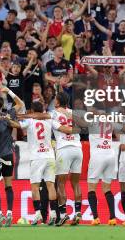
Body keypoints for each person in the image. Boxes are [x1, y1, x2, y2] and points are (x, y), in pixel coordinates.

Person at [12, 88, 72, 225]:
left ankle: (38, 214)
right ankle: (52, 214)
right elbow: (64, 128)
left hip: (37, 157)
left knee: (35, 186)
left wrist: (7, 120)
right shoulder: (49, 120)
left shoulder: (31, 121)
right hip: (50, 156)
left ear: (33, 111)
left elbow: (17, 125)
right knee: (51, 185)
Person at [50, 91, 82, 226]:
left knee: (61, 183)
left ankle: (63, 214)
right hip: (78, 149)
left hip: (64, 149)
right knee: (76, 183)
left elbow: (62, 129)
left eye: (55, 100)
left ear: (57, 102)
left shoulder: (53, 114)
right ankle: (78, 212)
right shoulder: (73, 112)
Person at [0, 92, 18, 226]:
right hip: (9, 155)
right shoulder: (8, 116)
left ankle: (0, 215)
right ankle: (10, 213)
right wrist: (8, 90)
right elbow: (21, 104)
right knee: (8, 184)